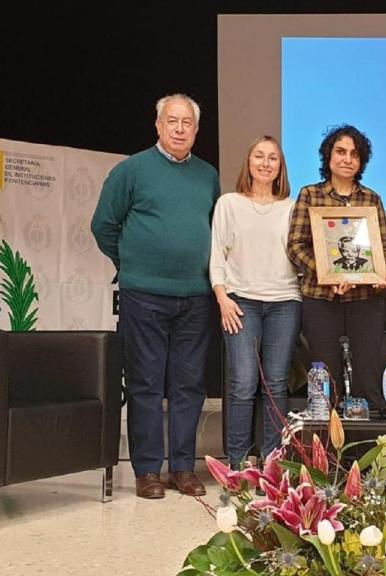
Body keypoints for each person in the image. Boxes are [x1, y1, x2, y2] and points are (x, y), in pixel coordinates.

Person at [91, 93, 220, 499]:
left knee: (188, 385)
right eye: (172, 121)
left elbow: (216, 231)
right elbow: (103, 227)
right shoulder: (131, 170)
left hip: (197, 297)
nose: (180, 129)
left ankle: (183, 468)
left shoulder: (208, 176)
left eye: (187, 123)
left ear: (196, 131)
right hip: (143, 295)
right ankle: (147, 470)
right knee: (145, 384)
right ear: (158, 126)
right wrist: (133, 264)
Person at [210, 136, 300, 469]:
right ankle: (236, 462)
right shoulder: (228, 203)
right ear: (248, 162)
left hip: (285, 302)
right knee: (243, 382)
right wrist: (222, 297)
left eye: (272, 158)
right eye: (258, 156)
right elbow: (217, 255)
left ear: (281, 167)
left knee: (276, 383)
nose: (265, 162)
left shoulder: (292, 207)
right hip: (239, 303)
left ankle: (272, 460)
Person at [288, 124, 386, 413]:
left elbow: (384, 247)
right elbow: (296, 246)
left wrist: (385, 271)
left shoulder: (371, 199)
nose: (347, 159)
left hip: (365, 301)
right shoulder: (310, 195)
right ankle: (324, 458)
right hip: (321, 300)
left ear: (361, 161)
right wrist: (328, 275)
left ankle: (368, 456)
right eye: (341, 152)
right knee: (324, 381)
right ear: (328, 157)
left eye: (354, 154)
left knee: (367, 379)